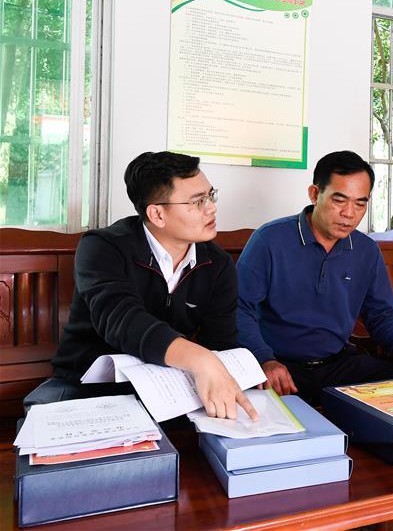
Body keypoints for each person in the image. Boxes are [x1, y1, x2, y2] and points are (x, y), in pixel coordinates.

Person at [24, 151, 257, 421]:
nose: (212, 207)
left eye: (211, 195)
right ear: (157, 214)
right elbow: (121, 319)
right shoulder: (103, 247)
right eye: (198, 201)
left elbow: (221, 342)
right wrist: (202, 360)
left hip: (168, 384)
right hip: (88, 384)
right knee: (46, 424)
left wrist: (220, 370)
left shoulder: (217, 264)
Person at [237, 150, 393, 405]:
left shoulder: (366, 250)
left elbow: (380, 313)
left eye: (360, 203)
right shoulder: (269, 240)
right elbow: (239, 308)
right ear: (315, 194)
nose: (350, 213)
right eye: (340, 200)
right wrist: (265, 359)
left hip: (339, 366)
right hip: (281, 367)